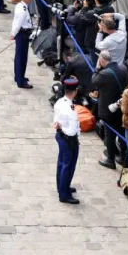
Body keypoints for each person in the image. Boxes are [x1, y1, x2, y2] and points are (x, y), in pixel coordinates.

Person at [52, 76, 81, 205]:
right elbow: (72, 130)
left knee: (62, 163)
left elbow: (55, 119)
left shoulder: (59, 102)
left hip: (61, 136)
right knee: (68, 166)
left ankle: (62, 186)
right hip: (69, 139)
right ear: (75, 92)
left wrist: (60, 126)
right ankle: (64, 194)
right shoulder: (71, 110)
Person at [9, 0, 35, 89]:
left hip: (22, 33)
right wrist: (13, 34)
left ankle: (18, 76)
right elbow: (18, 23)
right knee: (21, 57)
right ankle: (21, 81)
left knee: (19, 56)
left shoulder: (20, 6)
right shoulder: (23, 10)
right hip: (22, 34)